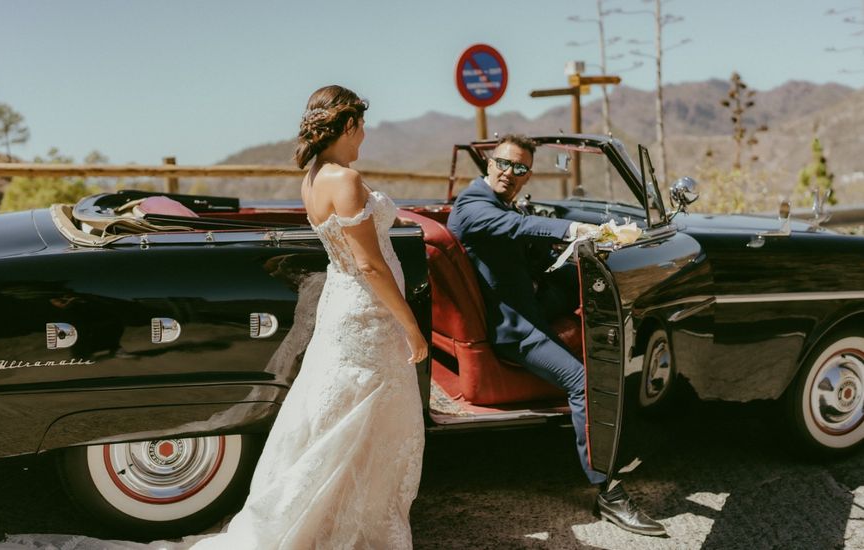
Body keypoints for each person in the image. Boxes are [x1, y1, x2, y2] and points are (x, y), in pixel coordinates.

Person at [192, 85, 427, 549]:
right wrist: (411, 325)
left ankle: (325, 521)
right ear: (348, 126)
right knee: (370, 423)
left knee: (335, 422)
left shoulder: (314, 177)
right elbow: (369, 265)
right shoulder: (347, 179)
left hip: (343, 310)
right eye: (362, 126)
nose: (365, 136)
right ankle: (352, 529)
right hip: (368, 314)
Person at [446, 134, 666, 537]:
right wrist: (579, 229)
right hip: (512, 328)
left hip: (520, 302)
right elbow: (518, 225)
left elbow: (519, 238)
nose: (510, 174)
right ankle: (608, 489)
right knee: (583, 383)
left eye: (521, 169)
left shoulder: (495, 202)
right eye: (504, 164)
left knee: (571, 287)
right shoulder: (473, 207)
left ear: (528, 175)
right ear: (490, 163)